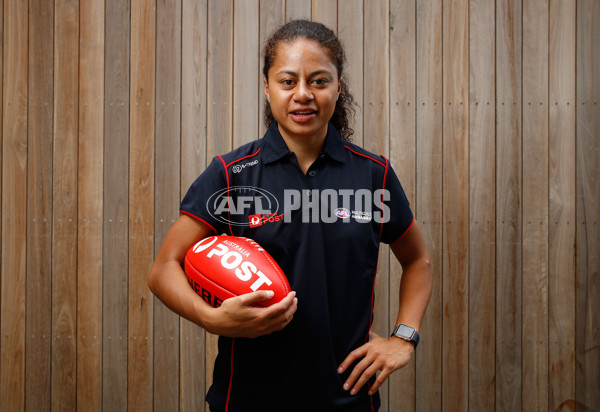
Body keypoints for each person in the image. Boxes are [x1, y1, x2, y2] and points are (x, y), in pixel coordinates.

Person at [149, 19, 432, 412]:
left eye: (319, 81)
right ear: (267, 87)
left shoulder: (373, 175)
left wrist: (404, 338)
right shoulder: (231, 174)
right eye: (287, 81)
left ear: (338, 86)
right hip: (247, 399)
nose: (303, 94)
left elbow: (418, 260)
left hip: (347, 399)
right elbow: (164, 267)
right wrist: (211, 319)